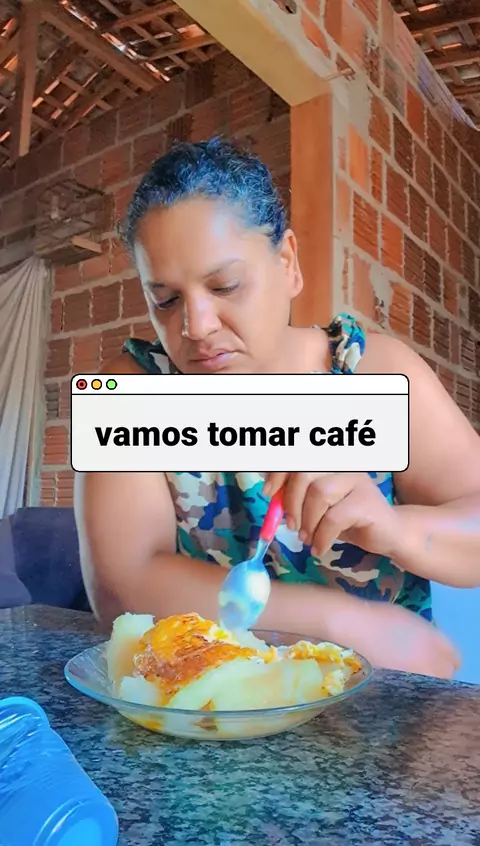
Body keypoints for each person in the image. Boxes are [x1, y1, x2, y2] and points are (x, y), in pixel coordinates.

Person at [74, 138, 480, 679]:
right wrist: (342, 623)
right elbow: (123, 588)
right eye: (165, 300)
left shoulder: (375, 373)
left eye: (225, 285)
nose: (196, 327)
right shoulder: (133, 392)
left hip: (377, 712)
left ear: (287, 263)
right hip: (210, 703)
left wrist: (394, 528)